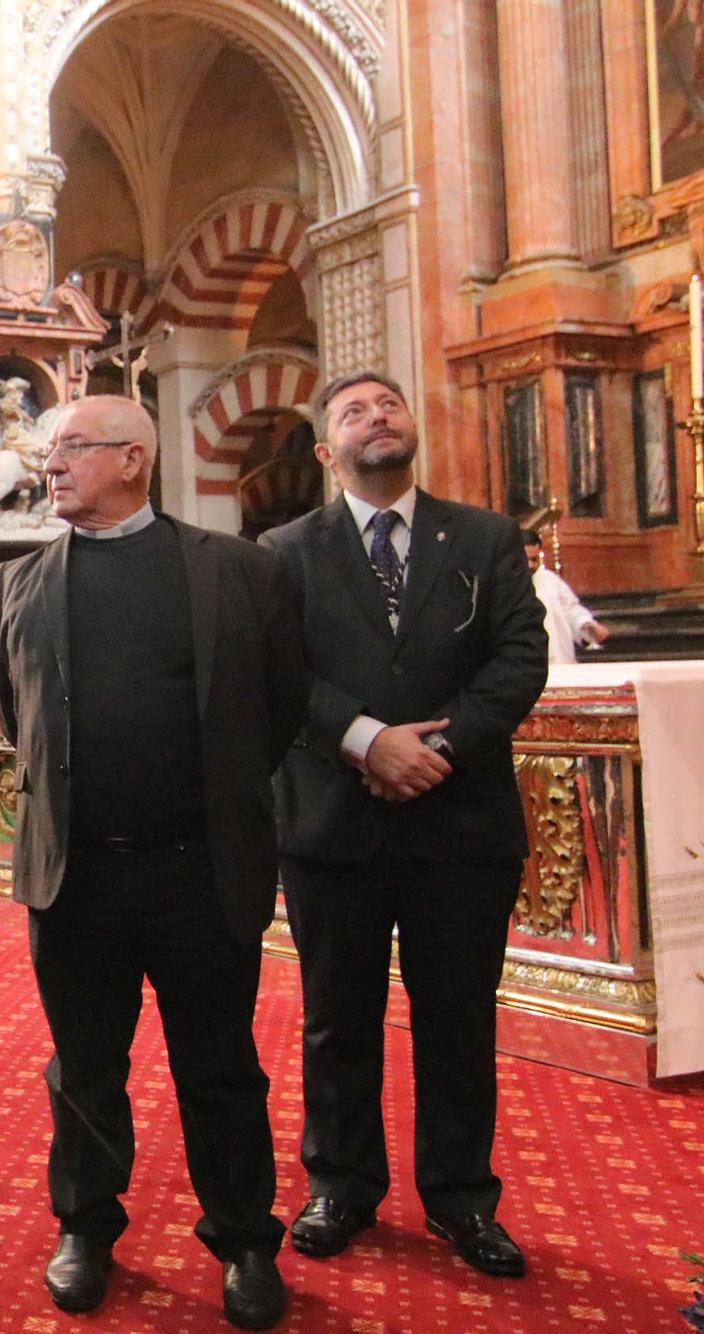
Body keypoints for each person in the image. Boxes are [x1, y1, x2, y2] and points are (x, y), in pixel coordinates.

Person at [0, 395, 303, 1329]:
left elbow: (278, 711)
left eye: (70, 448)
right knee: (83, 1066)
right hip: (76, 876)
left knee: (221, 1067)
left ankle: (245, 1237)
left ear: (133, 458)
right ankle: (86, 1224)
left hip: (200, 871)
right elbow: (21, 721)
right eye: (49, 452)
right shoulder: (24, 581)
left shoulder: (241, 573)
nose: (51, 466)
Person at [260, 371, 547, 1279]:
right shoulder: (284, 551)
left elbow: (519, 656)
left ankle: (462, 1199)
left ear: (410, 425)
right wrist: (367, 741)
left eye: (389, 404)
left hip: (460, 822)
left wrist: (442, 750)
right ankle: (341, 1184)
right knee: (337, 1019)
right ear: (323, 449)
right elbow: (277, 671)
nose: (377, 418)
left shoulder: (487, 537)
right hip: (334, 823)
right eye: (353, 411)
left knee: (458, 1019)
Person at [524, 530, 609, 664]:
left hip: (557, 661)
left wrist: (587, 624)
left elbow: (570, 609)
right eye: (525, 559)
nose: (530, 565)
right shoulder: (500, 583)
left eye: (534, 559)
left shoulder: (550, 580)